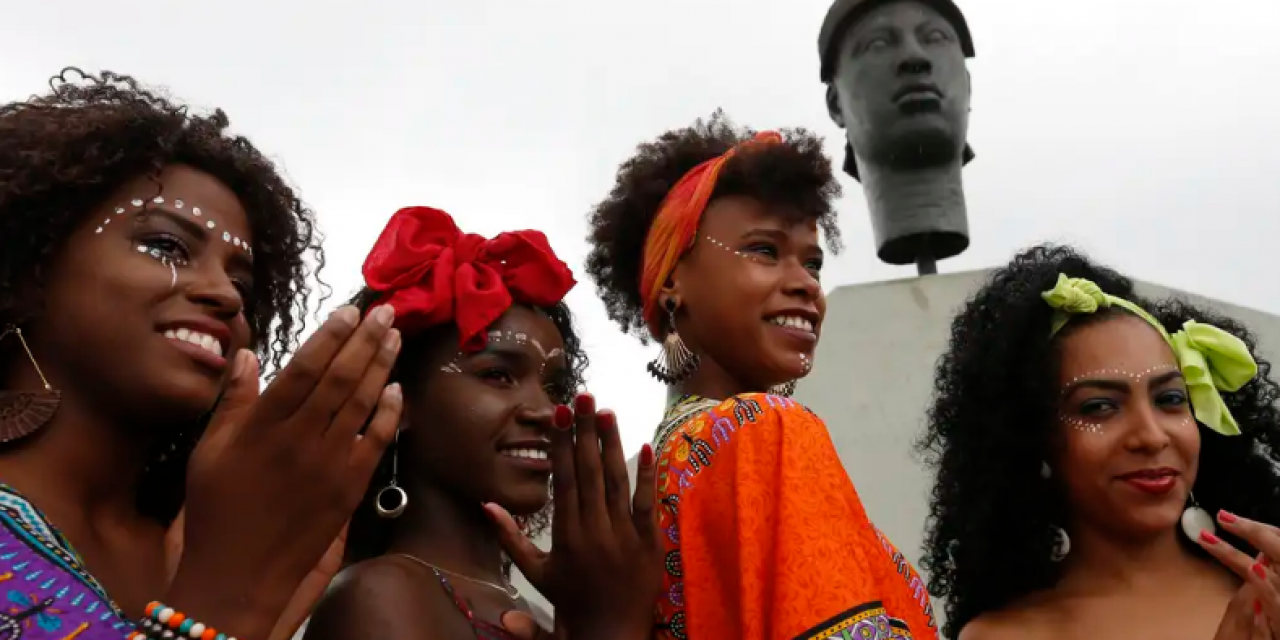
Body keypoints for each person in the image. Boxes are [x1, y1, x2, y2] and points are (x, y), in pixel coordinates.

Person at [0, 68, 400, 640]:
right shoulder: (228, 560)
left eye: (245, 286)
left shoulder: (201, 541)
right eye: (165, 245)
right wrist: (224, 600)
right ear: (26, 270)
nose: (224, 295)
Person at [582, 110, 938, 640]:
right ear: (672, 280)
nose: (805, 285)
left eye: (813, 264)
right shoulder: (767, 430)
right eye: (764, 251)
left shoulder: (664, 475)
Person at [303, 206, 659, 640]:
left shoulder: (537, 610)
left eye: (553, 387)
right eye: (497, 375)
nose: (546, 412)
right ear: (396, 398)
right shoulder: (377, 597)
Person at [917, 244, 1280, 639]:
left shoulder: (1267, 592)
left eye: (1170, 400)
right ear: (1034, 437)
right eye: (1099, 407)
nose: (1151, 436)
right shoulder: (1004, 635)